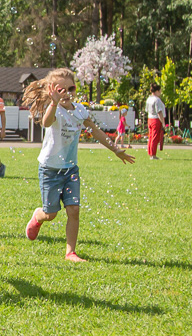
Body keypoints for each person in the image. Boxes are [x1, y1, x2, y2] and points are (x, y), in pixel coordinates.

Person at [21, 68, 135, 261]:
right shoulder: (54, 109)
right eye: (60, 89)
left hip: (70, 168)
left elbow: (96, 131)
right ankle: (38, 216)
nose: (66, 93)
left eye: (70, 88)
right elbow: (47, 122)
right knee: (51, 214)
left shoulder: (80, 111)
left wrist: (115, 149)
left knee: (74, 210)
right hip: (50, 169)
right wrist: (54, 103)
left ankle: (70, 252)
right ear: (52, 90)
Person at [146, 84, 165, 160]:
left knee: (151, 136)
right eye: (159, 91)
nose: (160, 93)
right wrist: (163, 122)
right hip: (156, 119)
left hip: (150, 118)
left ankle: (150, 153)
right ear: (157, 91)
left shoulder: (149, 99)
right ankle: (153, 155)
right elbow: (159, 112)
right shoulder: (157, 100)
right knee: (155, 137)